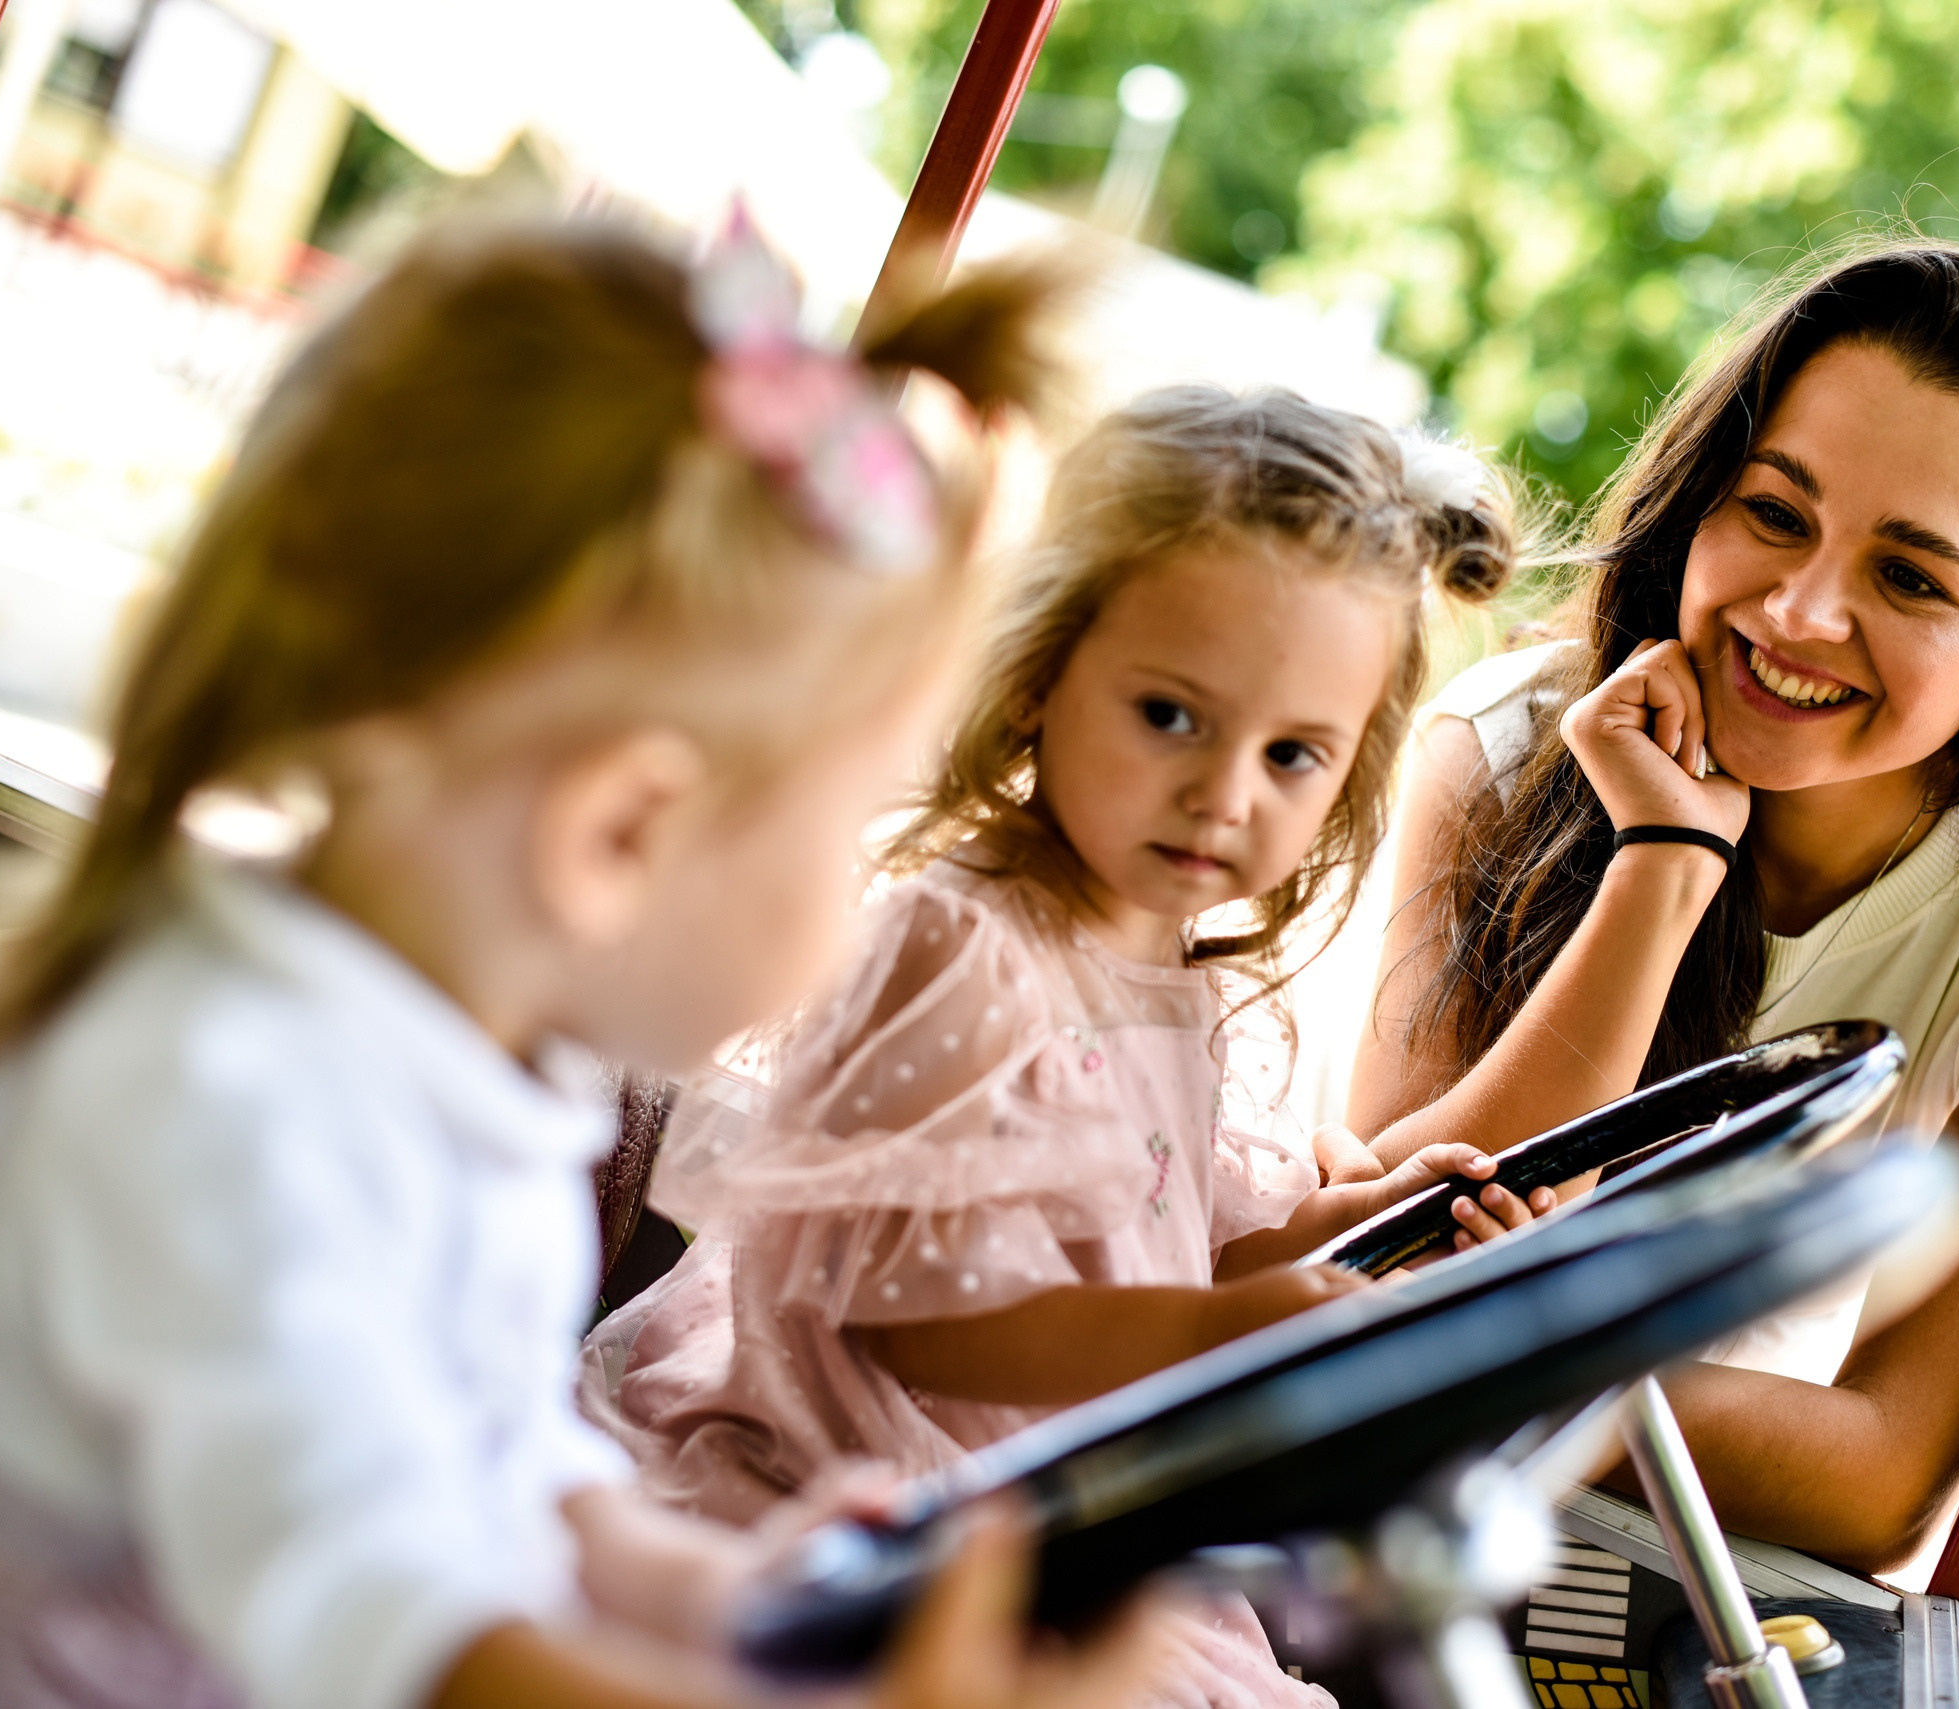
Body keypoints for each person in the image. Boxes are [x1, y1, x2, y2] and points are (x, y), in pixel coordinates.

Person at [0, 222, 1162, 1709]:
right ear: (622, 831)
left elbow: (508, 1478)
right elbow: (409, 1637)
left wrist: (735, 1596)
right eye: (844, 833)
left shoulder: (472, 1073)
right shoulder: (226, 1105)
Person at [582, 386, 1520, 1702]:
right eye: (1170, 716)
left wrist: (1333, 1232)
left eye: (1294, 753)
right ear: (1041, 675)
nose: (1225, 791)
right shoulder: (966, 953)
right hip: (876, 1490)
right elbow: (924, 1319)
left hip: (1060, 1505)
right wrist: (1215, 1328)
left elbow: (1127, 1253)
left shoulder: (1174, 977)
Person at [1350, 243, 1959, 1575]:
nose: (1800, 609)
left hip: (1661, 1554)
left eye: (1912, 578)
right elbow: (1382, 1267)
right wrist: (1666, 862)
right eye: (1774, 512)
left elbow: (1889, 1475)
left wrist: (1516, 1349)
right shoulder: (1508, 744)